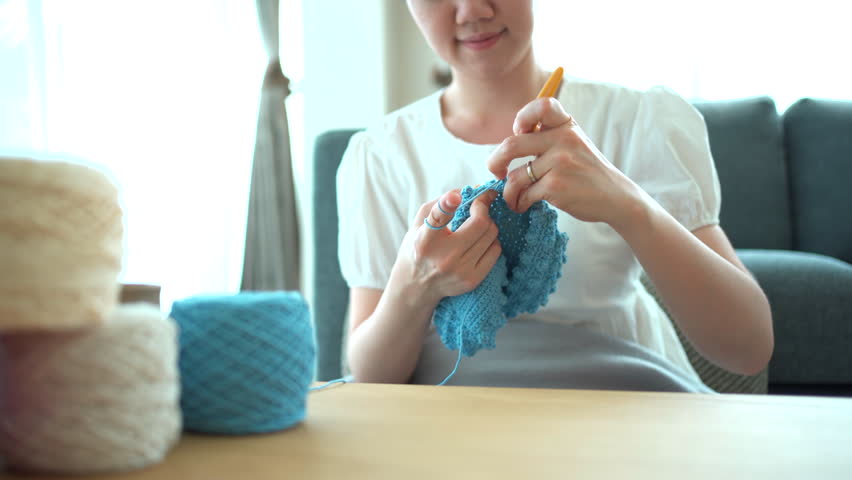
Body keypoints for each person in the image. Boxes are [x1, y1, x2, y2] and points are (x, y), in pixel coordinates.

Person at [336, 0, 773, 388]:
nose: (472, 10)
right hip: (450, 426)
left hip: (622, 409)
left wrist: (628, 206)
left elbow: (748, 348)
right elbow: (372, 378)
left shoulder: (637, 121)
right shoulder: (380, 155)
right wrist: (413, 287)